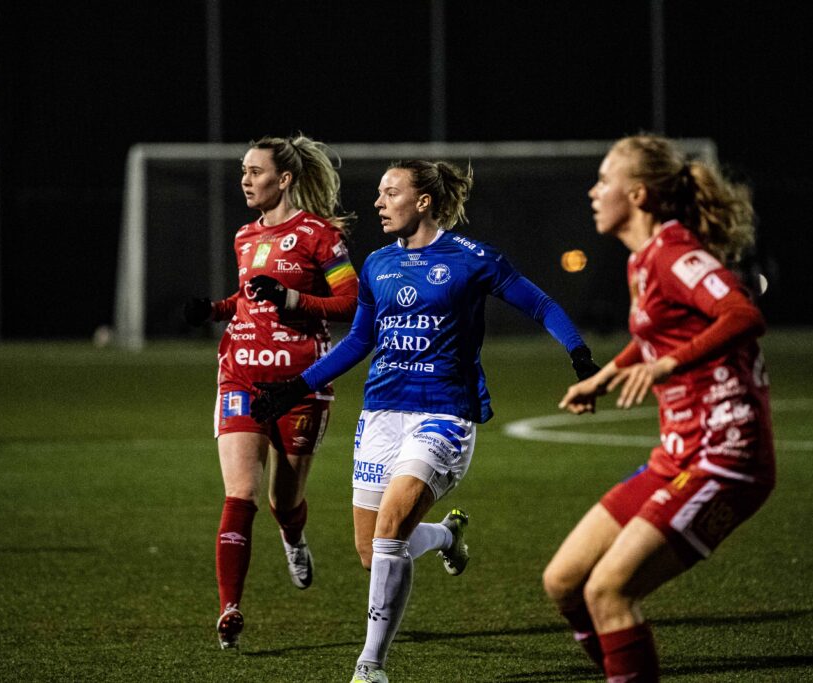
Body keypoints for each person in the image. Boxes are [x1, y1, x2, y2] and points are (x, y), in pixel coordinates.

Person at [250, 159, 600, 683]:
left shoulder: (472, 259)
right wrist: (295, 387)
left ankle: (370, 666)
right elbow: (361, 340)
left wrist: (578, 353)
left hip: (443, 413)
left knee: (391, 533)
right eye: (380, 193)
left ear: (423, 201)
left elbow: (541, 304)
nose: (378, 202)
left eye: (391, 192)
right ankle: (444, 537)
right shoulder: (378, 264)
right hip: (381, 413)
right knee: (371, 552)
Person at [542, 134, 775, 681]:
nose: (594, 191)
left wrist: (667, 366)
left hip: (726, 457)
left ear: (639, 195)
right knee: (564, 581)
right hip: (678, 454)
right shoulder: (643, 261)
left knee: (609, 590)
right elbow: (654, 335)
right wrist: (606, 376)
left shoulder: (675, 254)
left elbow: (743, 315)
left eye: (605, 180)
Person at [183, 134, 359, 650]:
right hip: (241, 374)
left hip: (300, 383)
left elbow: (351, 301)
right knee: (241, 493)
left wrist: (293, 298)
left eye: (255, 172)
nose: (245, 180)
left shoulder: (320, 236)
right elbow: (249, 299)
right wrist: (214, 310)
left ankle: (293, 536)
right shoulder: (244, 236)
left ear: (283, 179)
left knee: (285, 501)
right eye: (243, 171)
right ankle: (230, 609)